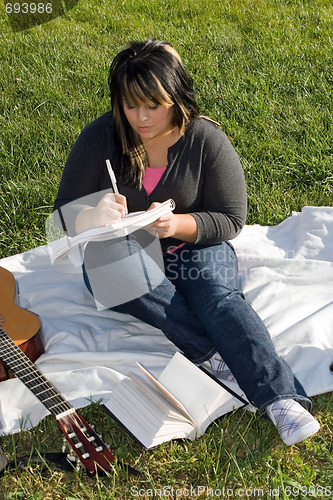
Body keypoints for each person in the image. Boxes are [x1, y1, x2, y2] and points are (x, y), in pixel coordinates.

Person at [53, 38, 320, 446]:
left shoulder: (206, 140)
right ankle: (215, 355)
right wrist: (91, 215)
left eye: (153, 105)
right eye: (129, 104)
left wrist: (175, 225)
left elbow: (231, 220)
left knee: (218, 297)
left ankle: (280, 399)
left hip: (195, 245)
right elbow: (62, 215)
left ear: (175, 97)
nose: (140, 117)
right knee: (117, 270)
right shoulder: (101, 137)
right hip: (124, 253)